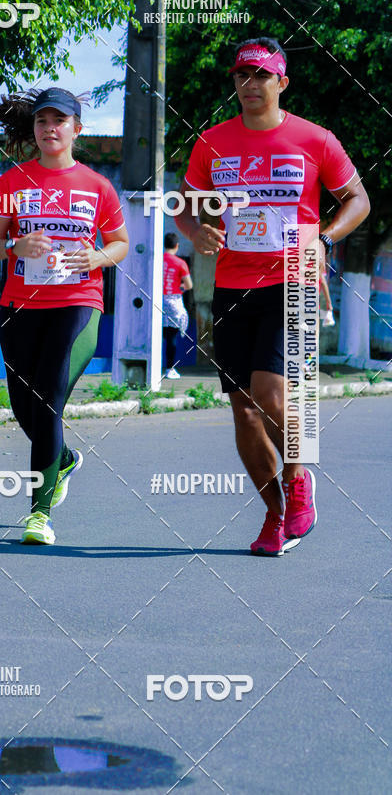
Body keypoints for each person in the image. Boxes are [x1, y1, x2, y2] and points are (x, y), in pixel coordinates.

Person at [176, 37, 370, 556]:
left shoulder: (315, 139)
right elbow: (185, 205)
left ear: (281, 82)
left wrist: (324, 238)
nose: (250, 84)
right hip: (233, 286)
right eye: (242, 75)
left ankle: (299, 475)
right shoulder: (212, 142)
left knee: (270, 395)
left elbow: (358, 199)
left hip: (295, 281)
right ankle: (274, 514)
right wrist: (196, 233)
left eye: (261, 75)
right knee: (242, 412)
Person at [0, 88, 129, 545]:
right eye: (42, 121)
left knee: (46, 399)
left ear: (76, 130)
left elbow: (120, 242)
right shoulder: (12, 182)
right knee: (25, 407)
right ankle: (61, 458)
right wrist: (14, 247)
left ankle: (38, 514)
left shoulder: (97, 186)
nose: (50, 129)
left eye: (59, 121)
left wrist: (98, 258)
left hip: (78, 304)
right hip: (20, 306)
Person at [162, 232, 192, 379]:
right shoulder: (180, 263)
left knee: (155, 335)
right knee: (171, 337)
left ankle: (152, 365)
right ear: (177, 246)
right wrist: (180, 288)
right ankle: (169, 369)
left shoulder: (156, 260)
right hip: (173, 302)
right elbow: (189, 285)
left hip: (156, 301)